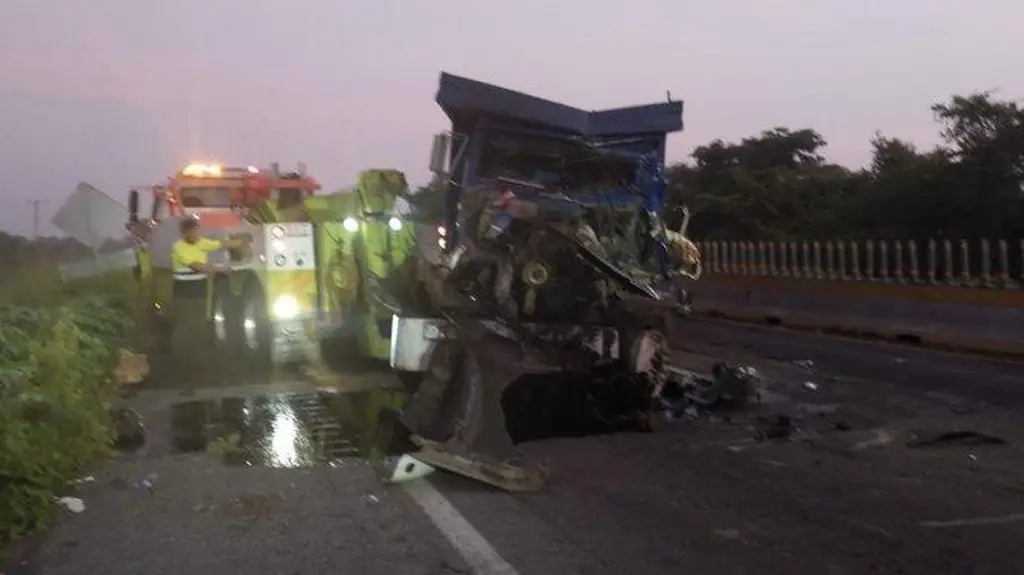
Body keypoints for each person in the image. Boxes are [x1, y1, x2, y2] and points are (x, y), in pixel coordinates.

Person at [169, 215, 248, 369]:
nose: (196, 235)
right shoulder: (178, 247)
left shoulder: (200, 242)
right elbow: (197, 266)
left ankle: (196, 359)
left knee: (198, 325)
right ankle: (178, 360)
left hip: (199, 290)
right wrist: (221, 269)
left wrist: (240, 242)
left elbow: (219, 244)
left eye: (197, 231)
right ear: (184, 232)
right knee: (183, 326)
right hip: (183, 292)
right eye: (192, 232)